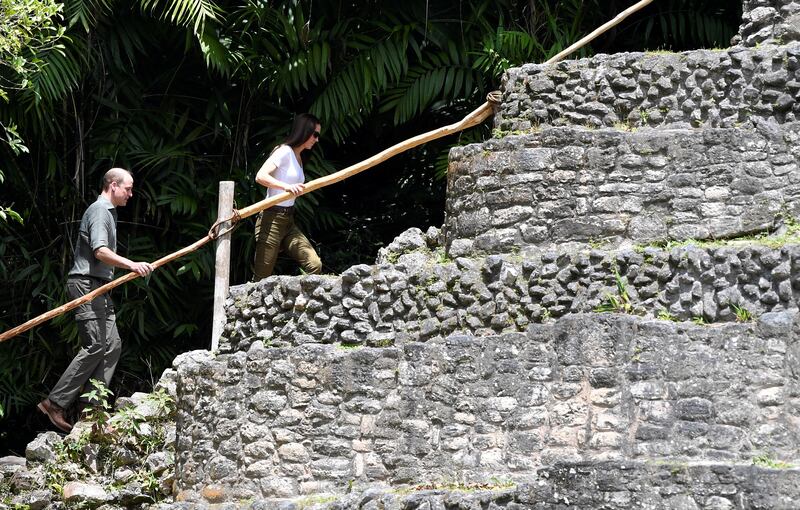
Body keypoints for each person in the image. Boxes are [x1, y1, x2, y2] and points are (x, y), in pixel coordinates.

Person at [37, 168, 154, 433]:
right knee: (94, 346)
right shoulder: (100, 210)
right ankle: (55, 403)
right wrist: (132, 265)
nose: (131, 194)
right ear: (113, 185)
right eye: (128, 188)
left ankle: (92, 410)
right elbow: (100, 251)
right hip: (86, 284)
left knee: (111, 346)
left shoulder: (107, 212)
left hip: (99, 286)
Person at [253, 113, 323, 280]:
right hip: (271, 219)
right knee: (261, 277)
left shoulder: (299, 157)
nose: (317, 139)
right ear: (304, 131)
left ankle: (298, 304)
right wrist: (287, 187)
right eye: (315, 134)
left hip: (288, 220)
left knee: (314, 265)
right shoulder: (284, 151)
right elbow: (260, 176)